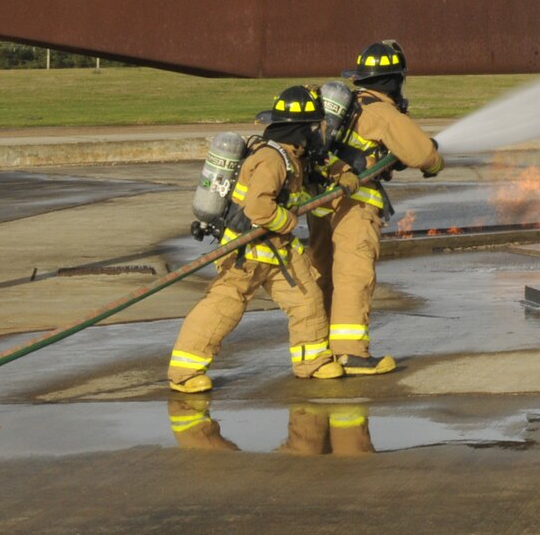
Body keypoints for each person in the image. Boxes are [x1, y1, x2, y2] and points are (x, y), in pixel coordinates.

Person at [166, 89, 341, 392]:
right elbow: (258, 207)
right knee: (224, 307)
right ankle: (184, 371)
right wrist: (287, 221)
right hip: (246, 252)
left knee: (307, 299)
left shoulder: (290, 158)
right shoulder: (272, 160)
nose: (315, 135)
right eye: (311, 128)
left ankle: (312, 361)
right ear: (297, 131)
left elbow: (300, 198)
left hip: (278, 250)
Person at [307, 39, 444, 375]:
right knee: (354, 275)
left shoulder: (349, 106)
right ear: (394, 80)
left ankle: (318, 350)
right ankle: (351, 353)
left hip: (321, 204)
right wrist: (435, 161)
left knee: (323, 275)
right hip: (354, 206)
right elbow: (423, 154)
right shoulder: (381, 111)